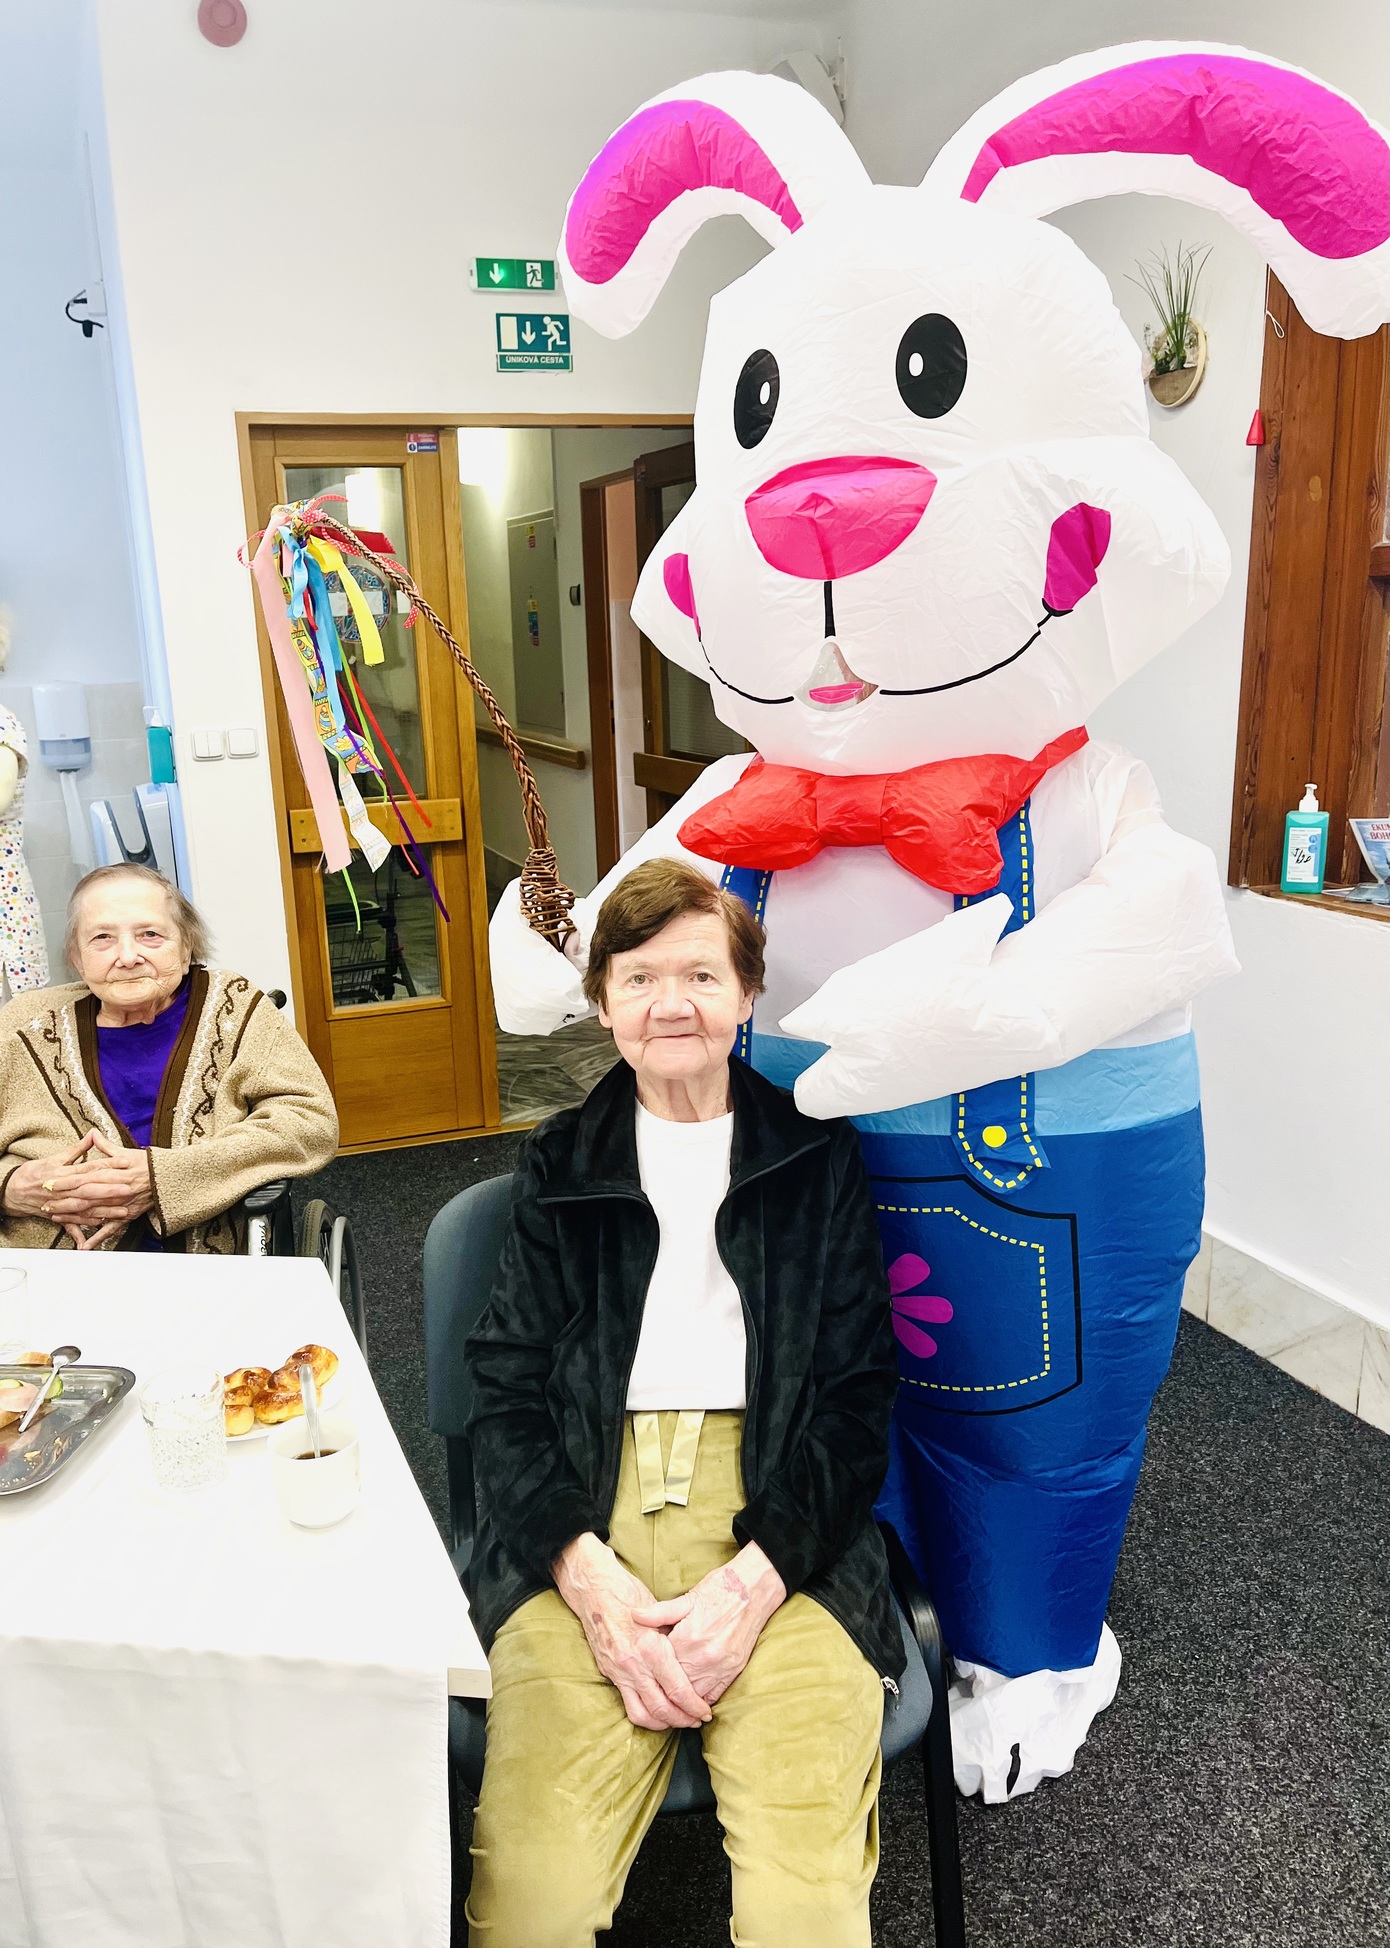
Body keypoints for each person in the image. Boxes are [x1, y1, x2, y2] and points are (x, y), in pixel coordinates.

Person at [464, 858, 902, 1948]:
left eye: (701, 975)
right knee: (530, 1910)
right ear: (602, 1000)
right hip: (582, 1506)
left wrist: (757, 1581)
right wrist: (584, 1578)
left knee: (805, 1913)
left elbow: (855, 1398)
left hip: (784, 1515)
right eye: (639, 977)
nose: (670, 1005)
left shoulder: (816, 1155)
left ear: (747, 995)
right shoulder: (558, 1162)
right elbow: (505, 1393)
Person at [0, 863, 337, 1252]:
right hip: (45, 1268)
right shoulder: (22, 1026)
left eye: (150, 935)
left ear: (186, 946)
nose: (128, 956)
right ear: (77, 957)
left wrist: (166, 1177)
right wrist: (10, 1188)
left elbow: (309, 1121)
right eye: (102, 938)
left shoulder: (234, 1007)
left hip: (211, 1268)